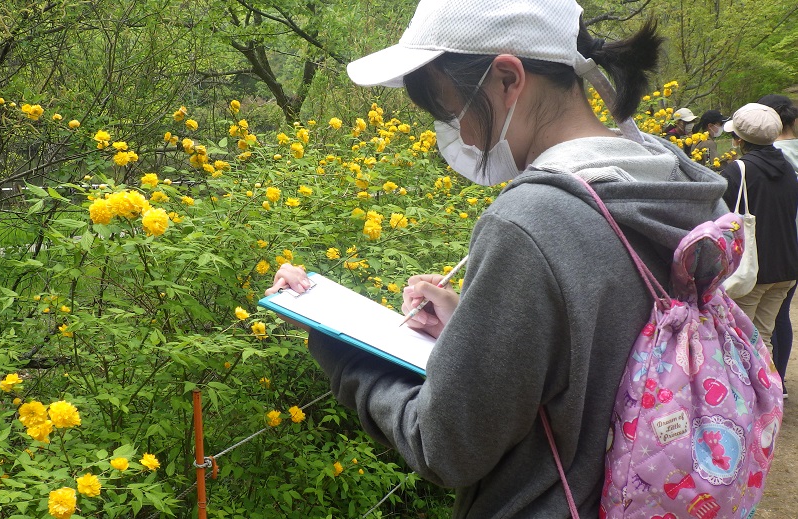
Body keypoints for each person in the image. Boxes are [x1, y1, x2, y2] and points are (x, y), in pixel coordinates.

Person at [267, 0, 728, 516]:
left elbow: (446, 448)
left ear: (508, 78)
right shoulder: (676, 181)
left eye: (450, 110)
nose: (458, 135)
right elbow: (603, 348)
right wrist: (476, 323)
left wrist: (343, 354)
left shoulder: (532, 222)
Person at [720, 102, 798, 355]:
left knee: (739, 340)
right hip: (786, 267)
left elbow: (720, 218)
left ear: (740, 139)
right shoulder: (788, 168)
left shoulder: (738, 170)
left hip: (752, 271)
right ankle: (771, 392)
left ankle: (749, 395)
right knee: (762, 340)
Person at [758, 94, 798, 398]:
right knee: (781, 314)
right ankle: (779, 379)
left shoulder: (771, 159)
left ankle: (769, 384)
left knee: (768, 316)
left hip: (779, 245)